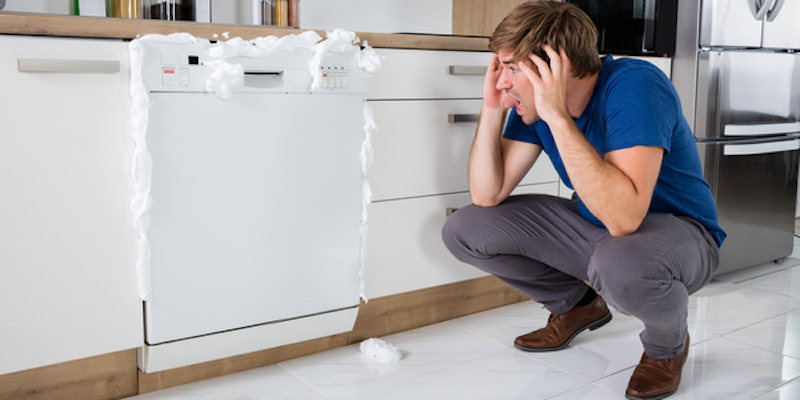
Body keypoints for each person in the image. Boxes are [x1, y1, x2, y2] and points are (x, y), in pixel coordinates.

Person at [441, 1, 725, 399]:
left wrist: (557, 117)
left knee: (621, 261)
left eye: (512, 67)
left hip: (679, 236)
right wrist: (492, 108)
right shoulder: (532, 110)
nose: (503, 81)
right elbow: (487, 194)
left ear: (552, 71)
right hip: (600, 229)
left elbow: (625, 219)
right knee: (465, 229)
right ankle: (577, 305)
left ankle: (666, 349)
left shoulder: (635, 85)